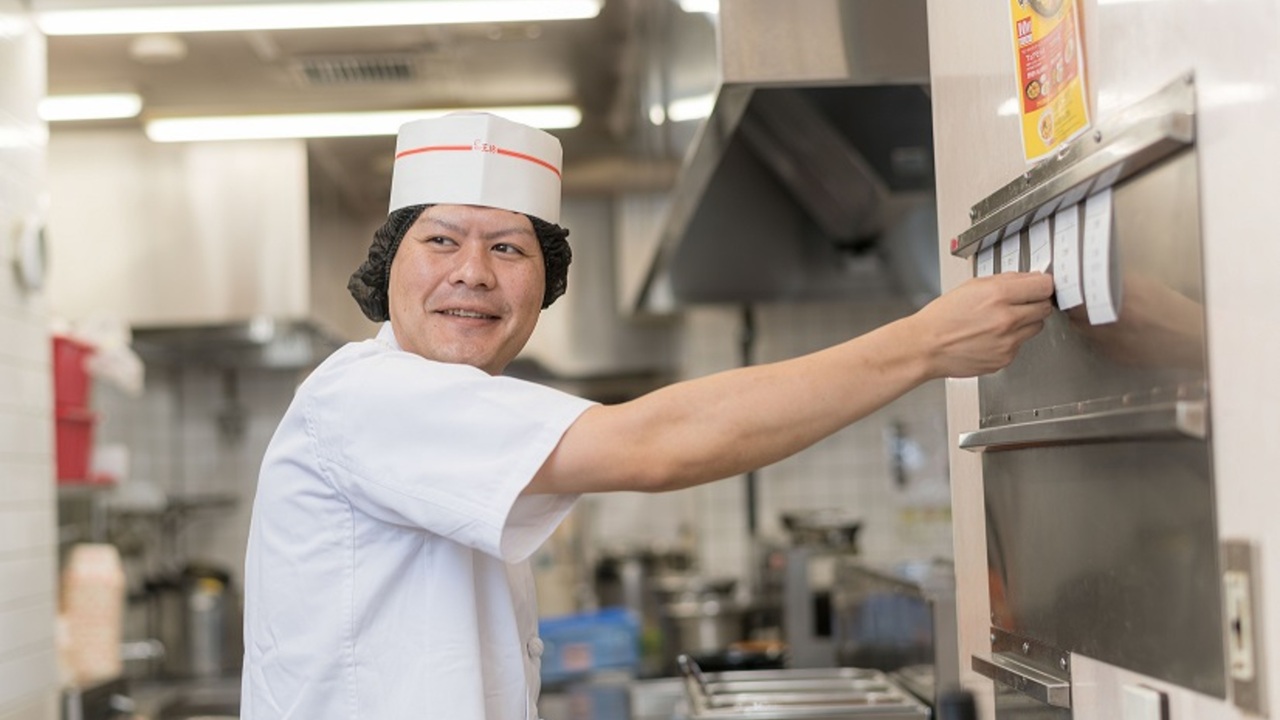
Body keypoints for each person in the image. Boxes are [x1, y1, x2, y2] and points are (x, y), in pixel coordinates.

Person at [240, 112, 1054, 719]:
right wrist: (924, 346)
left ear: (543, 286)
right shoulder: (371, 396)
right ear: (388, 269)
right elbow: (656, 446)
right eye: (442, 241)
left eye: (509, 249)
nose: (474, 275)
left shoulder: (454, 411)